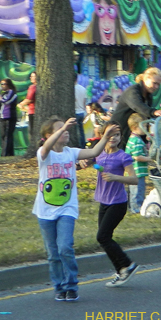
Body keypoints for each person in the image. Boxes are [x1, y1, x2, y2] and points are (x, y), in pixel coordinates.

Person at [33, 116, 113, 301]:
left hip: (66, 208)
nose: (66, 131)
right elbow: (46, 148)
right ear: (48, 135)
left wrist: (106, 136)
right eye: (60, 129)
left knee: (65, 248)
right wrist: (62, 128)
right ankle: (58, 286)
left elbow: (94, 151)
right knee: (53, 253)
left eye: (66, 129)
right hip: (44, 211)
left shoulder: (71, 152)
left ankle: (71, 285)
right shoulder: (44, 153)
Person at [93, 123, 140, 287]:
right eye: (110, 134)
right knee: (105, 239)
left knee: (102, 236)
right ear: (102, 135)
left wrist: (115, 177)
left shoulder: (123, 157)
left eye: (117, 135)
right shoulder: (99, 153)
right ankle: (122, 269)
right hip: (103, 201)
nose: (113, 138)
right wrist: (83, 165)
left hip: (118, 202)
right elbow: (92, 163)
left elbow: (134, 179)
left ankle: (127, 265)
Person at [110, 66, 161, 149]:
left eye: (158, 84)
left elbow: (145, 120)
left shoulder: (148, 96)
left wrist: (146, 141)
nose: (156, 87)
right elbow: (138, 105)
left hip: (132, 131)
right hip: (118, 130)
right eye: (154, 83)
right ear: (146, 79)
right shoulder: (133, 91)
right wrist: (153, 112)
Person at [125, 114, 150, 213]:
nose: (145, 128)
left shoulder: (133, 139)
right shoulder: (137, 141)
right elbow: (137, 157)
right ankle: (136, 208)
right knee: (138, 191)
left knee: (135, 190)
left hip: (133, 171)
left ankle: (133, 206)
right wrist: (150, 159)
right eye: (143, 126)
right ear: (135, 127)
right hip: (137, 171)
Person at [0, 78, 19, 157]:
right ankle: (10, 153)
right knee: (3, 135)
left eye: (3, 84)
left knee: (7, 135)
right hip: (2, 117)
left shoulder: (11, 92)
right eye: (1, 84)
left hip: (9, 116)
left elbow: (7, 101)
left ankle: (4, 154)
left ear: (8, 85)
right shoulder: (3, 93)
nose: (2, 86)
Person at [19, 71, 37, 141]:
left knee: (32, 131)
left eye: (33, 76)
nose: (31, 78)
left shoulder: (32, 87)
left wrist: (20, 104)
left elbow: (29, 99)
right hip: (35, 110)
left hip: (32, 112)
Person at [74, 74, 87, 148]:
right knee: (81, 132)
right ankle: (83, 145)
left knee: (75, 132)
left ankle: (77, 146)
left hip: (75, 112)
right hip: (82, 112)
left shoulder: (71, 89)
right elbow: (84, 102)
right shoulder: (83, 89)